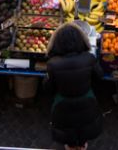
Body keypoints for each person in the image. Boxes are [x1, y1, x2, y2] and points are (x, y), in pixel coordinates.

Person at [44, 22, 104, 150]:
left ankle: (71, 145)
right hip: (87, 104)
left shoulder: (52, 64)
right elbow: (99, 77)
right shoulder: (89, 58)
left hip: (63, 107)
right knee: (84, 129)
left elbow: (48, 88)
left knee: (68, 131)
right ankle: (82, 145)